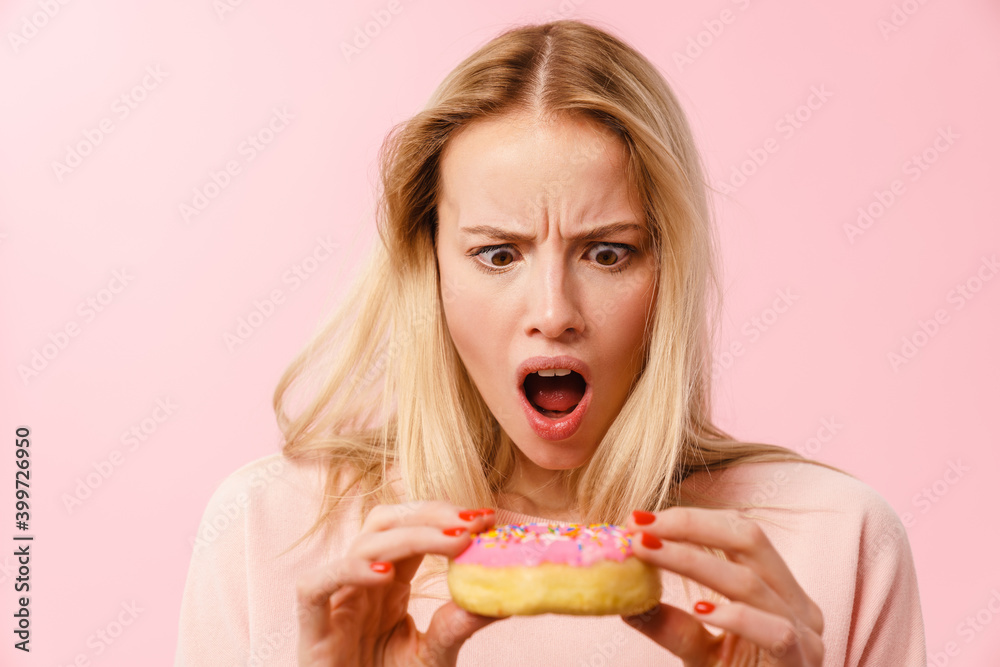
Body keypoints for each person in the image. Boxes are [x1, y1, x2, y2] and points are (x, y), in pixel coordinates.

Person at [175, 19, 926, 666]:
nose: (554, 312)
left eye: (608, 252)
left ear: (669, 269)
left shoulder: (835, 542)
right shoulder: (269, 533)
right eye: (498, 254)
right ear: (428, 267)